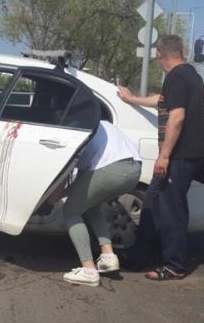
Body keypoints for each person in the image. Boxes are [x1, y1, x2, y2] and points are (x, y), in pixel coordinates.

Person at [116, 34, 204, 280]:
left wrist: (164, 156)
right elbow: (161, 101)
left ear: (159, 54)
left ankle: (175, 265)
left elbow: (176, 117)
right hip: (187, 155)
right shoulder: (191, 75)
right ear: (182, 51)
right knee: (153, 203)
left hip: (179, 156)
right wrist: (131, 99)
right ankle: (138, 255)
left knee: (171, 210)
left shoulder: (176, 77)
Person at [50, 121, 142, 287]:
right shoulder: (99, 123)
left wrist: (52, 198)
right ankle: (108, 256)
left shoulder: (74, 130)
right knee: (90, 205)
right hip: (134, 170)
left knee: (71, 211)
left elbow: (66, 178)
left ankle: (88, 270)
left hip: (110, 169)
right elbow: (81, 184)